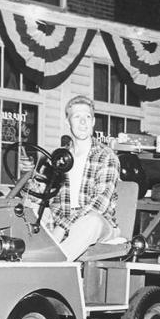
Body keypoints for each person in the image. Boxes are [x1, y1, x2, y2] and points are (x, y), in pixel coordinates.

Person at [45, 95, 120, 260]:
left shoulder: (106, 156)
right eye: (77, 117)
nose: (83, 122)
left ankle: (52, 264)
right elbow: (51, 198)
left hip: (99, 223)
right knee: (34, 214)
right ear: (67, 122)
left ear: (93, 122)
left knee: (90, 222)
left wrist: (63, 227)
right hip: (63, 219)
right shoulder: (60, 157)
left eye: (87, 117)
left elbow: (100, 204)